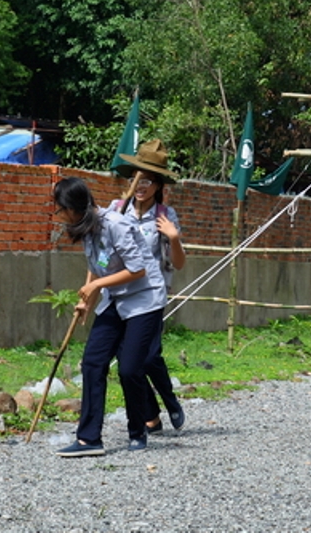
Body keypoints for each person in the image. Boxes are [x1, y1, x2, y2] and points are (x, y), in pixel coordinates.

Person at [52, 177, 166, 457]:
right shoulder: (87, 229)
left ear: (73, 207)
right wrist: (87, 301)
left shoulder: (116, 224)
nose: (60, 215)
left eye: (61, 209)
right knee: (93, 361)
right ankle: (88, 439)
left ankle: (137, 430)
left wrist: (96, 287)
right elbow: (97, 266)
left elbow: (137, 269)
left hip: (144, 298)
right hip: (116, 298)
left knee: (129, 368)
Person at [113, 139, 187, 435]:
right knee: (126, 360)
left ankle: (170, 401)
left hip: (151, 296)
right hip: (119, 294)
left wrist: (173, 237)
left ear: (157, 186)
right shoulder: (117, 210)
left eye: (146, 180)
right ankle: (152, 415)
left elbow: (179, 263)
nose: (139, 185)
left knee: (148, 355)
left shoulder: (165, 216)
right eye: (135, 179)